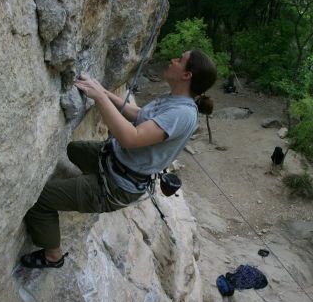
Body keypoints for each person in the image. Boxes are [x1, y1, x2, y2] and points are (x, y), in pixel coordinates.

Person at [21, 49, 217, 269]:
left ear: (187, 75)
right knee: (74, 149)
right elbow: (138, 115)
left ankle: (53, 257)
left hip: (117, 186)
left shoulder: (182, 114)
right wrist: (103, 90)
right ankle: (83, 189)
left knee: (39, 199)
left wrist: (100, 97)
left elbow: (131, 138)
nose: (173, 59)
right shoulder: (175, 100)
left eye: (179, 59)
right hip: (113, 161)